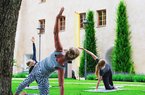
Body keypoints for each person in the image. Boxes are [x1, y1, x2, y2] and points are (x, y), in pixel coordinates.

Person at [15, 7, 80, 95]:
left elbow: (55, 33)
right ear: (72, 59)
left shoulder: (59, 51)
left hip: (38, 68)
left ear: (68, 51)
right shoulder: (61, 66)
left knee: (26, 82)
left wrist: (57, 18)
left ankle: (21, 94)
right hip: (41, 72)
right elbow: (61, 86)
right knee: (34, 87)